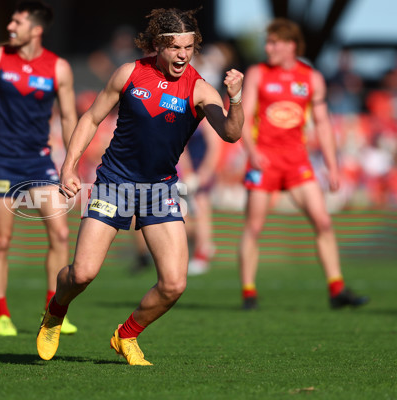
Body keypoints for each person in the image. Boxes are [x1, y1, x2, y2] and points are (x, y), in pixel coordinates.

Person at [36, 8, 243, 365]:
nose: (182, 55)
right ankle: (55, 311)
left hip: (160, 190)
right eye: (174, 47)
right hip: (113, 183)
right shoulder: (129, 73)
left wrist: (235, 98)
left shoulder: (198, 88)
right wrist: (68, 166)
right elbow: (90, 118)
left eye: (188, 48)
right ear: (157, 46)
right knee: (82, 273)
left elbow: (231, 133)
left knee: (174, 284)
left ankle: (126, 334)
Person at [0, 1, 78, 336]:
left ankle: (52, 311)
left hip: (39, 161)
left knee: (61, 234)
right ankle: (1, 315)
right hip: (2, 161)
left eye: (18, 21)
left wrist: (71, 163)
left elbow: (68, 117)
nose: (10, 25)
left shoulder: (58, 68)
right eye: (11, 20)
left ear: (36, 30)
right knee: (1, 241)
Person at [238, 18, 369, 310]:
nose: (268, 47)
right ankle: (249, 292)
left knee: (323, 221)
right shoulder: (258, 73)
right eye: (267, 42)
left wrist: (333, 167)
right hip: (265, 159)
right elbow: (243, 116)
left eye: (274, 42)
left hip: (297, 160)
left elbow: (323, 124)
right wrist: (251, 149)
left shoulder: (311, 78)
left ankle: (337, 290)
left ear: (290, 46)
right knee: (254, 227)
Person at [179, 120, 221, 275]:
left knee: (202, 210)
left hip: (203, 169)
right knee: (186, 215)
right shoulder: (185, 115)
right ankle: (201, 247)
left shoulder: (207, 119)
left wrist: (205, 172)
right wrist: (188, 171)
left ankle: (202, 253)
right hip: (188, 172)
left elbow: (214, 147)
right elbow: (181, 148)